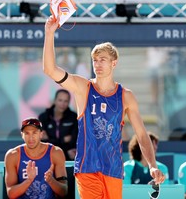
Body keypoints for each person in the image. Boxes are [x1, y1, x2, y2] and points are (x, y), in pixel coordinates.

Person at [43, 15, 166, 199]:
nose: (97, 64)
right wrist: (49, 33)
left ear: (113, 63)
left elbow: (141, 134)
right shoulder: (83, 88)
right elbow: (50, 70)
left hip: (113, 169)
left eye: (102, 59)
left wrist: (152, 164)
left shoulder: (126, 96)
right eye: (95, 60)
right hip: (87, 167)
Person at [4, 117, 68, 199]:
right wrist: (29, 180)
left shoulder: (55, 152)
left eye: (34, 133)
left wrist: (51, 180)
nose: (31, 138)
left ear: (41, 134)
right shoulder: (13, 155)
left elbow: (64, 192)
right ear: (22, 135)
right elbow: (11, 194)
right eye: (27, 133)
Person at [38, 89, 78, 161]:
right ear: (55, 100)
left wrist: (51, 139)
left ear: (69, 102)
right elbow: (44, 140)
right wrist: (63, 140)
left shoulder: (74, 117)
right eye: (60, 100)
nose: (63, 104)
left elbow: (73, 140)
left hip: (67, 157)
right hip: (48, 156)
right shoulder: (43, 117)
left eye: (66, 101)